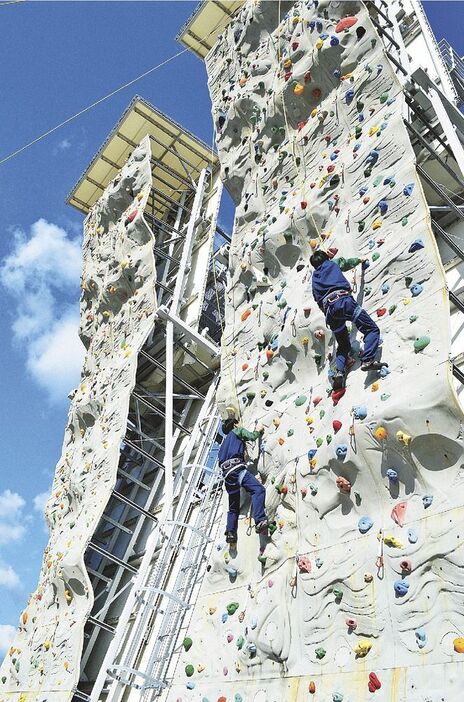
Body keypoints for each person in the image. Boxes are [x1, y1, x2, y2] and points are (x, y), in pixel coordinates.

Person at [310, 250, 387, 389]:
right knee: (371, 329)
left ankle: (339, 372)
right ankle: (367, 360)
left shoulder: (314, 278)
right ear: (326, 258)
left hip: (329, 311)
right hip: (343, 300)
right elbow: (346, 263)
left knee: (343, 344)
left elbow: (318, 301)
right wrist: (360, 260)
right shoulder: (332, 263)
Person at [218, 417, 268, 544]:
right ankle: (260, 520)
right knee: (258, 490)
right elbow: (251, 436)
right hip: (237, 469)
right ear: (235, 424)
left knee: (233, 507)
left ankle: (230, 533)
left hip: (227, 476)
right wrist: (258, 430)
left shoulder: (223, 445)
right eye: (238, 423)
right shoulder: (237, 431)